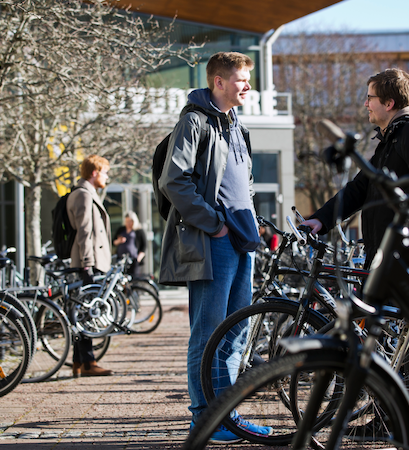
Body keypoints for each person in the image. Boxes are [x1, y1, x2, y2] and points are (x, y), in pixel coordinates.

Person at [158, 52, 272, 443]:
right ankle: (205, 419)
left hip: (243, 241)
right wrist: (216, 225)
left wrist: (250, 221)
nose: (247, 86)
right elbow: (174, 181)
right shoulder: (194, 121)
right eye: (241, 79)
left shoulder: (236, 124)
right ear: (218, 82)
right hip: (214, 243)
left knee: (236, 333)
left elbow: (245, 182)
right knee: (207, 335)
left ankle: (229, 416)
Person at [301, 68, 409, 268]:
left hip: (403, 255)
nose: (365, 104)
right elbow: (361, 187)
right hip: (384, 253)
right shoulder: (393, 136)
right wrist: (321, 219)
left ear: (389, 103)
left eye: (370, 98)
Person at [66, 154, 113, 377]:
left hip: (89, 261)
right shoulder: (84, 195)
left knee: (82, 312)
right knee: (85, 313)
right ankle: (88, 362)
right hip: (87, 262)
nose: (107, 177)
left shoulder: (86, 193)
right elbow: (84, 232)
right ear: (94, 173)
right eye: (104, 172)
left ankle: (80, 362)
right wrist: (87, 264)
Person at [113, 210, 147, 276]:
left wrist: (138, 259)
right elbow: (113, 242)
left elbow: (144, 246)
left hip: (133, 260)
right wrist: (119, 241)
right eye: (127, 221)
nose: (128, 223)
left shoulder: (139, 231)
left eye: (130, 221)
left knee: (133, 279)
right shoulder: (121, 229)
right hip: (121, 260)